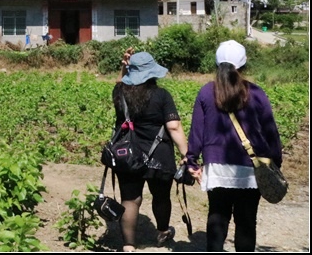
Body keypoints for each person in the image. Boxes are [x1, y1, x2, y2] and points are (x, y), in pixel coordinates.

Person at [185, 40, 282, 252]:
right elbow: (270, 132)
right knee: (246, 221)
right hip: (250, 167)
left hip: (217, 168)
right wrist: (276, 161)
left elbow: (196, 132)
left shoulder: (205, 92)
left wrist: (192, 161)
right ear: (243, 65)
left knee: (217, 217)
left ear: (217, 64)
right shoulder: (256, 93)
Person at [112, 51, 189, 252]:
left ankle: (129, 245)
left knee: (130, 199)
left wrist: (124, 69)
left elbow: (119, 84)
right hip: (159, 155)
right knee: (161, 196)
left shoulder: (120, 94)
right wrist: (186, 154)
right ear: (153, 73)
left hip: (127, 155)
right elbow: (173, 127)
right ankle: (162, 232)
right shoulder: (162, 95)